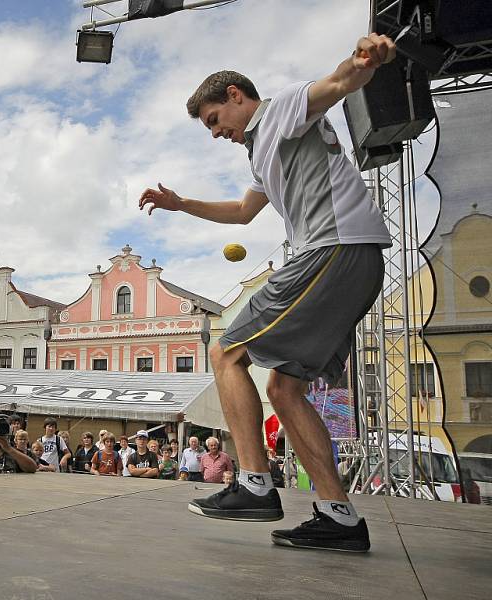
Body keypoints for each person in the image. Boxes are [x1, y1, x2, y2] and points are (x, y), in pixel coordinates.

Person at [141, 34, 398, 553]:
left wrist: (365, 59)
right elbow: (243, 212)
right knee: (284, 389)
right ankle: (338, 516)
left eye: (215, 120)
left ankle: (254, 484)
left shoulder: (279, 111)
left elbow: (338, 83)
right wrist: (180, 204)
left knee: (225, 349)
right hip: (348, 259)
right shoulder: (261, 151)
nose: (217, 133)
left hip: (333, 250)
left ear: (236, 96)